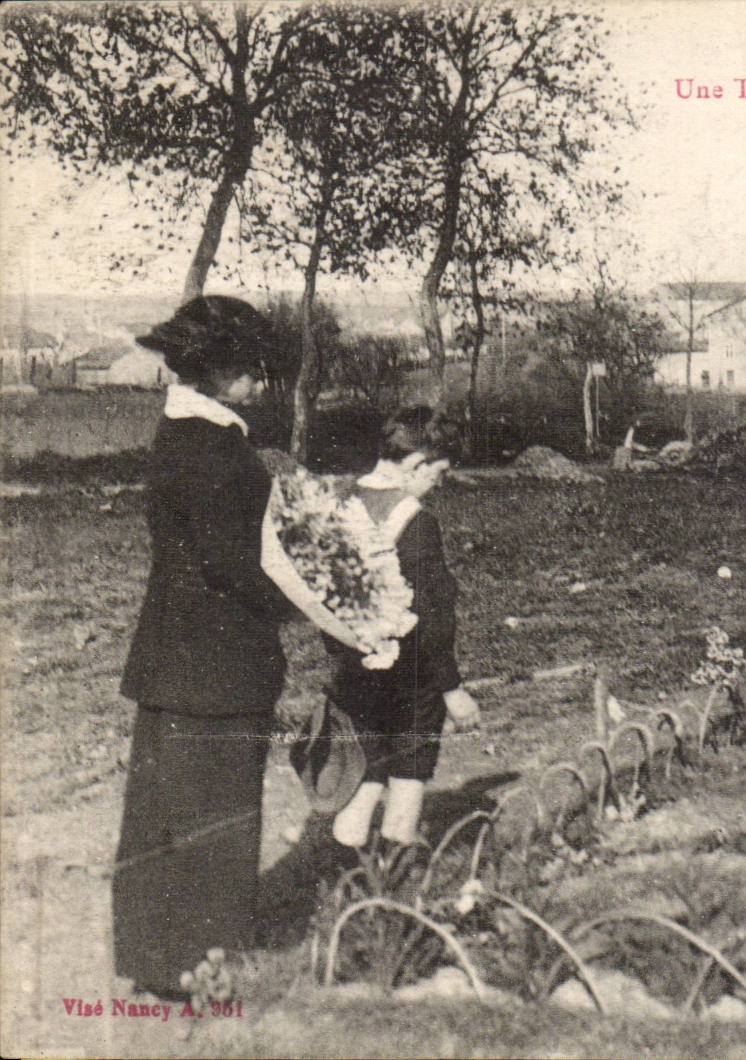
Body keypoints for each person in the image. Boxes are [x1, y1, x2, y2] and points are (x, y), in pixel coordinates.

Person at [115, 295, 292, 999]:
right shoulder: (216, 447)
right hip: (217, 656)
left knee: (164, 808)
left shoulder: (183, 431)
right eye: (250, 370)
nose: (258, 382)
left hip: (175, 652)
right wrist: (311, 601)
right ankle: (202, 958)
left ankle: (159, 959)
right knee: (214, 809)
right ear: (215, 370)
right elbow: (231, 561)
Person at [327, 406, 480, 851]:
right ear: (414, 464)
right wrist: (451, 687)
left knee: (372, 757)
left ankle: (351, 846)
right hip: (412, 666)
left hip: (353, 659)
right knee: (412, 756)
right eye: (438, 472)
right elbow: (433, 615)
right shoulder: (415, 521)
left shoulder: (341, 501)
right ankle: (399, 844)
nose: (438, 484)